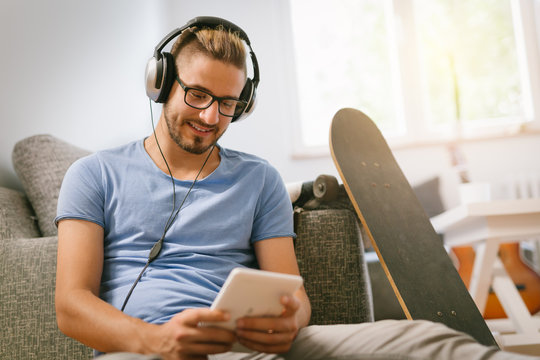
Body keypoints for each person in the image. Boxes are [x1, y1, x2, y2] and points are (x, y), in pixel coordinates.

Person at [55, 16, 538, 360]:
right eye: (198, 95)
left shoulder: (259, 178)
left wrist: (291, 318)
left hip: (252, 345)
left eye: (227, 104)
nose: (209, 117)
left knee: (432, 343)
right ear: (161, 83)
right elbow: (71, 306)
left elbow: (293, 292)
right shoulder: (94, 174)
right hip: (146, 350)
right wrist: (154, 341)